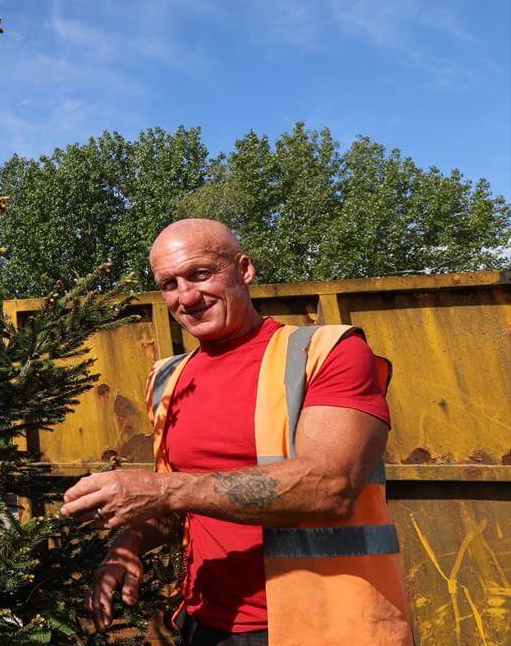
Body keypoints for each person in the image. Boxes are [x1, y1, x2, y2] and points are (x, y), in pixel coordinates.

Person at [60, 219, 412, 646]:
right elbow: (182, 507)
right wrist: (131, 538)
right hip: (205, 625)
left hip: (329, 626)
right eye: (169, 283)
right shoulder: (167, 378)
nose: (186, 297)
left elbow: (331, 486)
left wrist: (160, 491)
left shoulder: (327, 351)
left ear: (244, 269)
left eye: (201, 274)